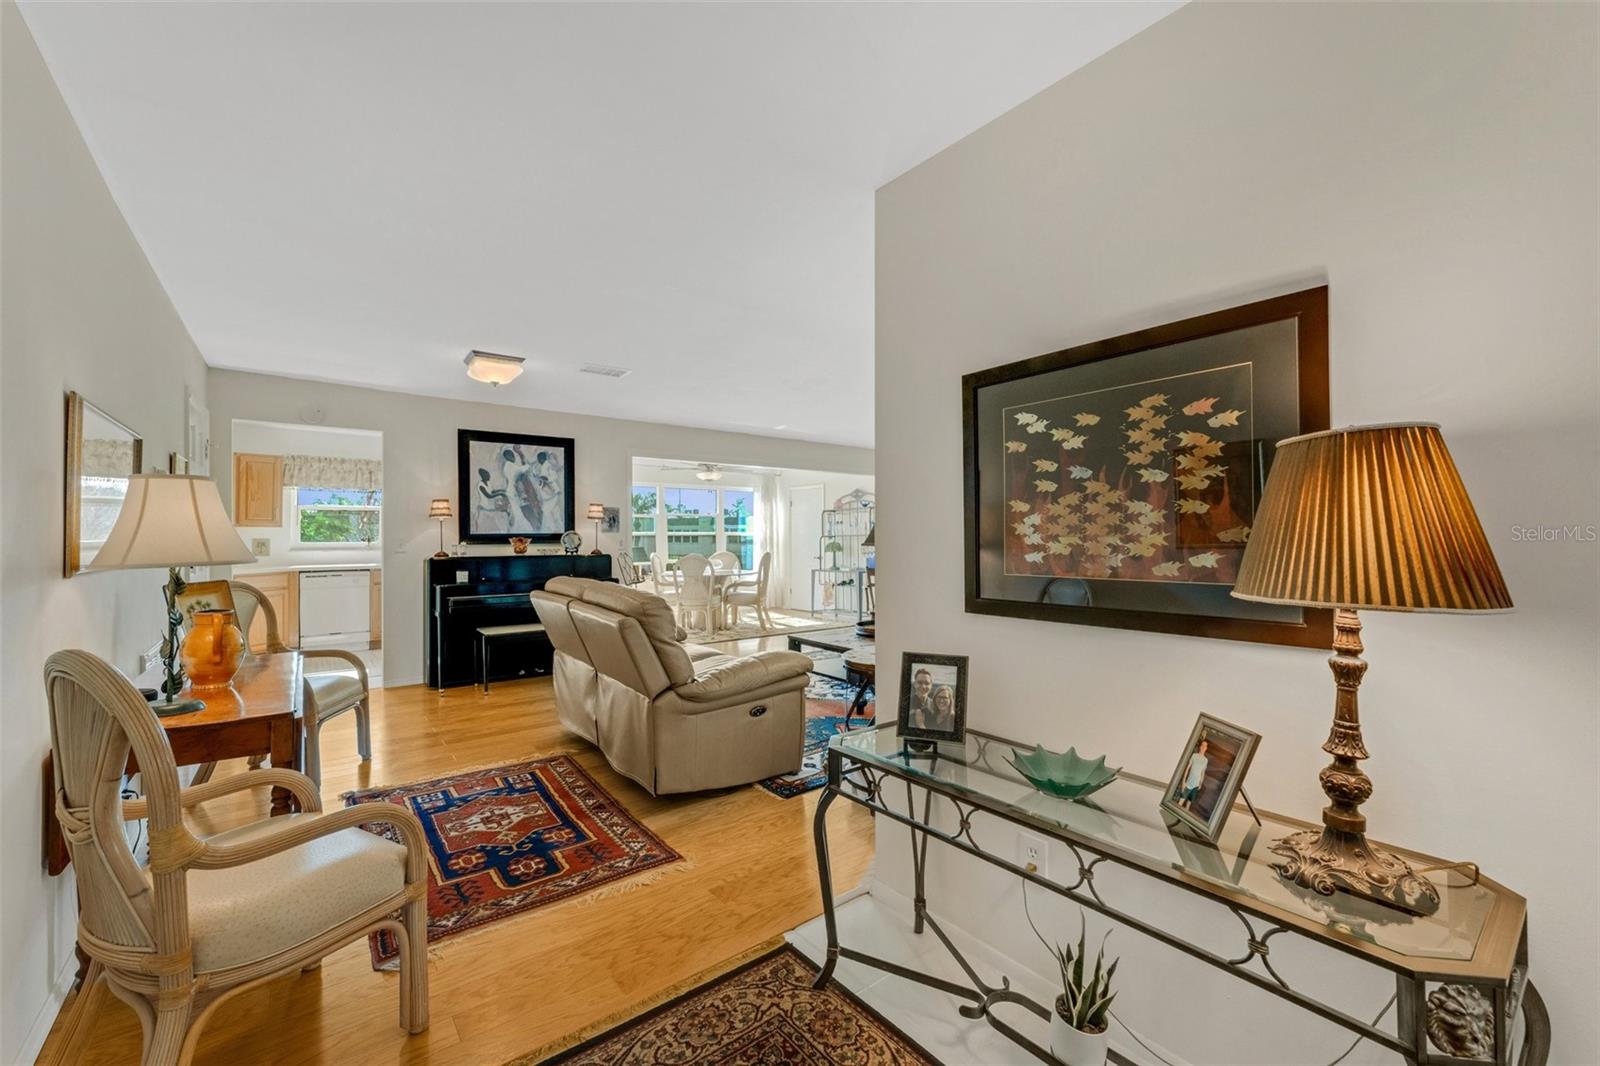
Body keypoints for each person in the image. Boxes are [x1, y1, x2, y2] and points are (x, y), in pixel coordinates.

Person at [1177, 738, 1209, 811]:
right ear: (1200, 746)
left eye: (1205, 746)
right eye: (1202, 745)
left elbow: (1202, 773)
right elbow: (1187, 769)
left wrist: (1200, 784)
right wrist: (1183, 782)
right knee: (1180, 803)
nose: (1203, 747)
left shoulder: (1205, 760)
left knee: (1188, 806)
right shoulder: (1194, 755)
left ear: (1206, 748)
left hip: (1196, 786)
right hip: (1188, 784)